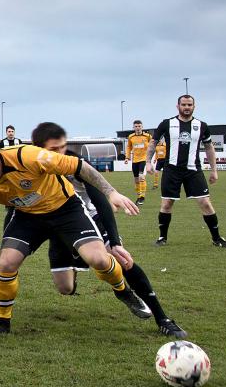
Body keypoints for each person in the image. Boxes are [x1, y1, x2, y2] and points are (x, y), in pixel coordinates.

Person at [0, 134, 150, 336]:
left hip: (65, 209)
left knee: (99, 260)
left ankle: (123, 290)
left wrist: (111, 192)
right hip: (28, 216)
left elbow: (80, 166)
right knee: (6, 263)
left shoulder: (28, 156)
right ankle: (2, 322)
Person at [31, 122, 187, 338]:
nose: (60, 154)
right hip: (59, 226)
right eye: (53, 150)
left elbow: (100, 201)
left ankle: (162, 318)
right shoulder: (29, 168)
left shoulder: (75, 164)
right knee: (65, 288)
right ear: (37, 150)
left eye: (62, 147)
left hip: (88, 217)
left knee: (121, 259)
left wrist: (114, 241)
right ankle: (77, 269)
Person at [147, 95, 226, 248]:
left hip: (193, 170)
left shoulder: (202, 126)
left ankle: (217, 238)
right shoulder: (167, 124)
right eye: (184, 104)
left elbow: (209, 147)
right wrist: (148, 162)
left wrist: (214, 170)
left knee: (205, 203)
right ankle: (162, 238)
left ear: (194, 106)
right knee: (166, 204)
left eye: (189, 105)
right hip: (171, 170)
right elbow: (153, 143)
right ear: (177, 106)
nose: (187, 107)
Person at [125, 120, 153, 206]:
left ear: (142, 127)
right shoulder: (131, 137)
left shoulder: (147, 136)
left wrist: (150, 157)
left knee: (141, 177)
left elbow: (152, 146)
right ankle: (138, 196)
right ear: (133, 127)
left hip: (144, 159)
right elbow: (129, 147)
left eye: (139, 126)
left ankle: (142, 196)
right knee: (136, 180)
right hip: (135, 160)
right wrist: (127, 157)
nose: (138, 128)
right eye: (136, 126)